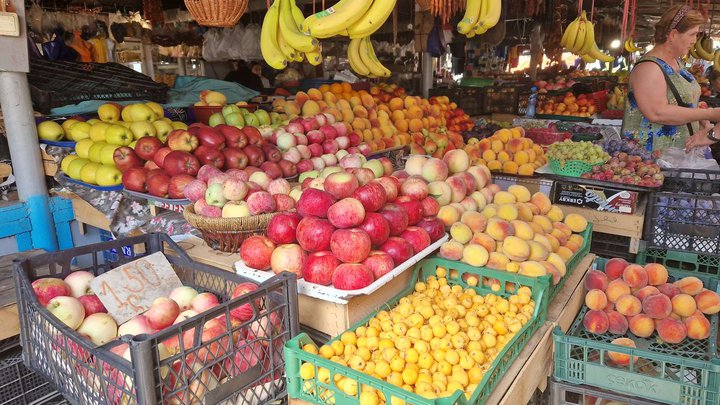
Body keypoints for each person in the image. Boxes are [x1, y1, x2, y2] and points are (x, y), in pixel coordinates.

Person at [622, 5, 720, 153]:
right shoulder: (649, 68)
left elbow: (679, 100)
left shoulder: (676, 63)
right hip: (652, 158)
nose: (694, 41)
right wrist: (709, 114)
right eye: (692, 34)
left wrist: (700, 117)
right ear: (673, 35)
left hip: (678, 152)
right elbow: (656, 112)